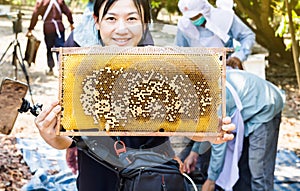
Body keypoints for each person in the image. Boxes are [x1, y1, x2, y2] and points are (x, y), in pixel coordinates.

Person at [34, 0, 236, 190]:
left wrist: (210, 132)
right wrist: (52, 137)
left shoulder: (163, 66)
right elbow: (72, 139)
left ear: (144, 23)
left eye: (132, 18)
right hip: (97, 180)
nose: (121, 29)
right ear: (97, 21)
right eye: (111, 18)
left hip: (151, 180)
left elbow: (187, 123)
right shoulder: (79, 70)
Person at [183, 69, 285, 191]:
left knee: (259, 171)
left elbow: (218, 142)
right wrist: (194, 153)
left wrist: (211, 181)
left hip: (265, 107)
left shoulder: (216, 99)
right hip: (248, 107)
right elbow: (205, 128)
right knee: (243, 169)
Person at [175, 0, 255, 69]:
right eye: (191, 18)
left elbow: (247, 36)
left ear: (204, 10)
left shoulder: (224, 17)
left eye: (197, 16)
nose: (195, 20)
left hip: (228, 69)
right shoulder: (184, 26)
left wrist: (239, 56)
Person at [26, 0, 75, 75]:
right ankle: (62, 69)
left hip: (48, 28)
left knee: (49, 48)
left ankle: (51, 68)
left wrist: (30, 28)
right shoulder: (59, 1)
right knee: (60, 48)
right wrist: (71, 23)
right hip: (59, 27)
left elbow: (35, 14)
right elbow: (68, 12)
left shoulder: (41, 1)